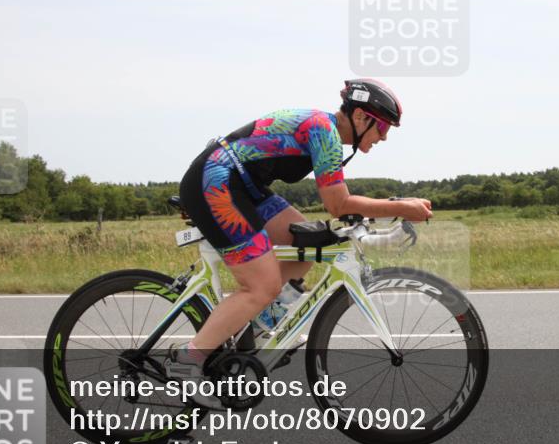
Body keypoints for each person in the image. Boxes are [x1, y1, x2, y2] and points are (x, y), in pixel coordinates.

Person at [167, 78, 433, 378]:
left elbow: (340, 204)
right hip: (217, 182)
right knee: (261, 286)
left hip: (244, 186)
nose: (383, 137)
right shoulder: (323, 131)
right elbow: (338, 204)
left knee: (307, 245)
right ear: (360, 116)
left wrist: (396, 208)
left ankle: (256, 327)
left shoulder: (327, 131)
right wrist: (402, 207)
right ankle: (187, 361)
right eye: (382, 127)